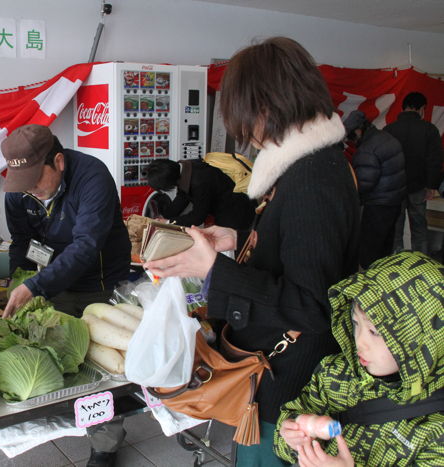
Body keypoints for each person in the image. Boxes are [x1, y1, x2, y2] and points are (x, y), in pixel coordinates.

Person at [144, 37, 360, 466]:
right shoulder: (310, 163)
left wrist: (214, 270)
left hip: (289, 383)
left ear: (265, 107)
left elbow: (313, 305)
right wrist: (239, 240)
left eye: (244, 120)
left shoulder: (313, 177)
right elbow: (303, 252)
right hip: (284, 373)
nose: (248, 137)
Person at [0, 124, 131, 466]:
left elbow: (87, 246)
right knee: (64, 356)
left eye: (35, 181)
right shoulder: (19, 190)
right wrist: (21, 279)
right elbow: (21, 241)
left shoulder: (92, 177)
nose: (29, 191)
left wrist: (35, 286)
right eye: (22, 184)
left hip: (98, 283)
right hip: (49, 282)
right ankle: (69, 420)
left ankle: (105, 443)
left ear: (58, 161)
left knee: (102, 367)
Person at [275, 251, 444, 466]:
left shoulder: (436, 429)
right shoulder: (335, 374)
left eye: (375, 332)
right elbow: (289, 424)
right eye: (356, 324)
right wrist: (292, 434)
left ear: (420, 341)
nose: (359, 342)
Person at [343, 110, 406, 268]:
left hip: (378, 206)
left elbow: (363, 184)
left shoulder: (367, 150)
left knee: (369, 251)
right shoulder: (386, 138)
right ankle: (383, 280)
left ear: (358, 130)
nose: (351, 141)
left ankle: (370, 284)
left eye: (351, 136)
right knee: (385, 248)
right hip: (394, 201)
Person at [383, 92, 443, 254]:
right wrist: (431, 186)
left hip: (395, 187)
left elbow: (384, 160)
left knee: (396, 229)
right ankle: (420, 263)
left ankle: (395, 265)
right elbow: (434, 160)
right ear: (421, 108)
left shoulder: (389, 129)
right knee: (419, 228)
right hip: (419, 187)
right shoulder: (429, 129)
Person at [146, 158, 255, 229]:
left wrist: (168, 222)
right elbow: (183, 196)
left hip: (237, 211)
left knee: (234, 250)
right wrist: (164, 216)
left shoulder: (199, 182)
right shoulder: (185, 167)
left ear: (168, 182)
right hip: (233, 204)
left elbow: (197, 217)